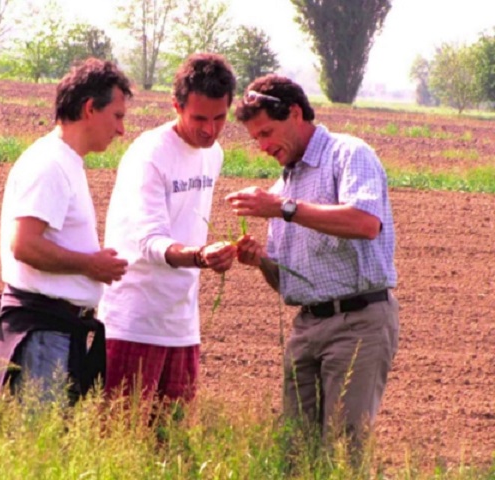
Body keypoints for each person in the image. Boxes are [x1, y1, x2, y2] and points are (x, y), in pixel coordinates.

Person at [226, 74, 399, 456]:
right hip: (306, 327)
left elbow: (365, 223)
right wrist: (261, 260)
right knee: (296, 450)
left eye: (267, 133)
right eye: (256, 139)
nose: (263, 146)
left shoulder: (348, 154)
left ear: (294, 113)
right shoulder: (283, 186)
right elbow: (289, 282)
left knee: (343, 450)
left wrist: (283, 208)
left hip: (358, 323)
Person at [0, 58, 132, 404]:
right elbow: (25, 245)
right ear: (90, 108)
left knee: (45, 436)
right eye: (117, 116)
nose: (121, 129)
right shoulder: (49, 164)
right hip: (43, 332)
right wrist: (90, 265)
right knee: (37, 436)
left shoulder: (65, 161)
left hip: (54, 331)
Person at [98, 53, 238, 406]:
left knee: (172, 434)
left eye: (219, 118)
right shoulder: (150, 154)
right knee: (120, 431)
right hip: (134, 321)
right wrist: (201, 256)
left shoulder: (213, 154)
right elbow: (149, 241)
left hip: (182, 325)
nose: (210, 130)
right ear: (176, 106)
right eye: (199, 118)